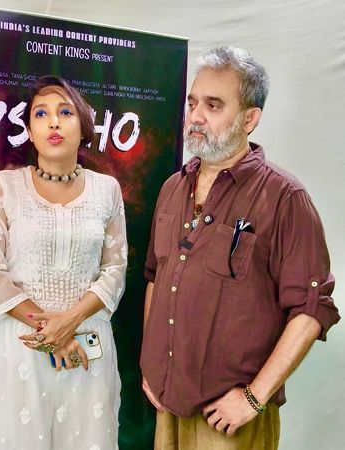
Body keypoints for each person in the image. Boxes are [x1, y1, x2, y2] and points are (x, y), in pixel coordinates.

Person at [140, 46, 340, 450]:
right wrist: (151, 364)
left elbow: (311, 309)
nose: (196, 116)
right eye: (193, 103)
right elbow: (155, 278)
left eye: (213, 106)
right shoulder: (172, 188)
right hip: (166, 405)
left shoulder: (284, 198)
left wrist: (253, 398)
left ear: (250, 118)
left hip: (228, 422)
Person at [0, 75, 127, 450]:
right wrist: (51, 333)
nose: (53, 122)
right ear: (29, 130)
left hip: (85, 350)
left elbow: (115, 270)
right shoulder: (5, 187)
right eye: (41, 114)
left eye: (65, 112)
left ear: (84, 126)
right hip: (21, 348)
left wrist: (70, 321)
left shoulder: (107, 190)